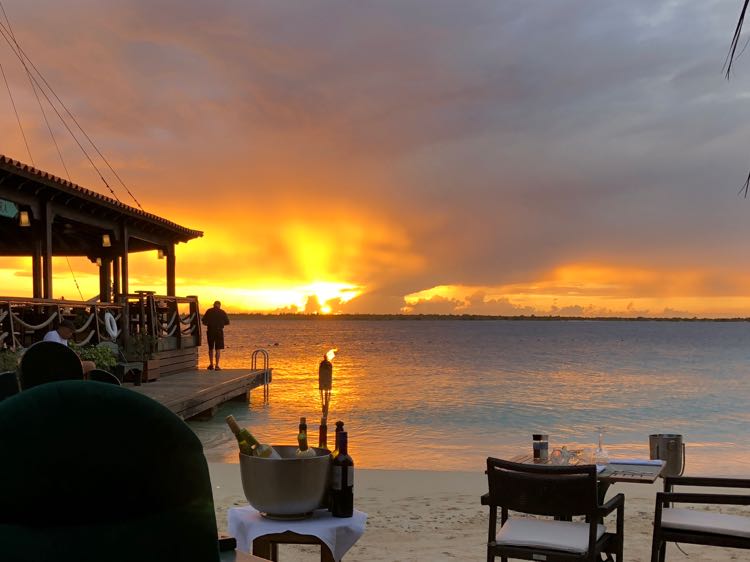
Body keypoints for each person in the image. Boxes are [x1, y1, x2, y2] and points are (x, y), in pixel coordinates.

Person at [201, 300, 229, 371]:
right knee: (218, 349)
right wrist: (221, 324)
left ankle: (211, 364)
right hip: (219, 331)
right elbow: (227, 322)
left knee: (210, 348)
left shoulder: (209, 311)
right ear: (219, 305)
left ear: (213, 305)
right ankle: (217, 365)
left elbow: (203, 321)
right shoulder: (222, 312)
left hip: (210, 331)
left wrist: (209, 324)